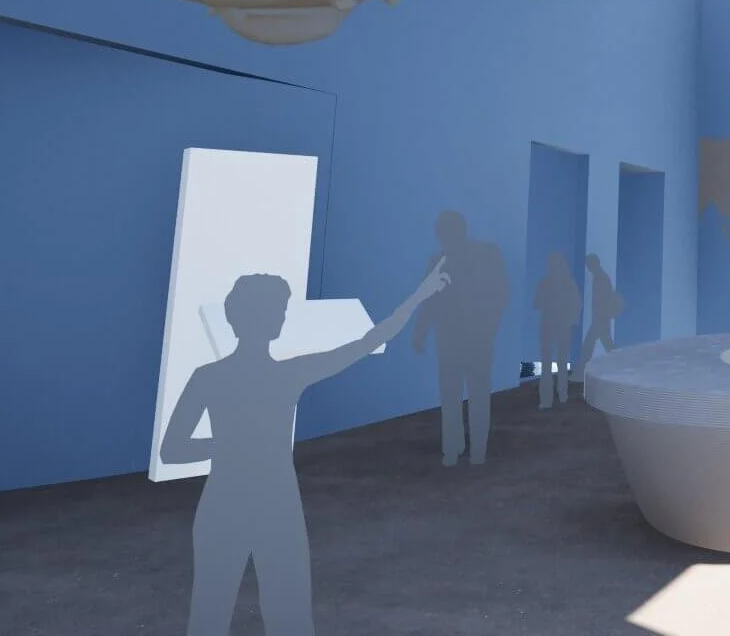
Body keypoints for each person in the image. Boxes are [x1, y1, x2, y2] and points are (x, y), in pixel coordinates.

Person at [161, 266, 448, 636]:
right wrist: (419, 297)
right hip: (260, 506)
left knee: (232, 614)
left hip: (242, 504)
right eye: (276, 311)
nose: (280, 318)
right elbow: (368, 341)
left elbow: (174, 449)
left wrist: (225, 447)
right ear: (255, 318)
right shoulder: (279, 375)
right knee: (266, 615)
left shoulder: (216, 376)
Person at [411, 211, 508, 466]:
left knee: (456, 397)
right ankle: (472, 452)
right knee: (472, 397)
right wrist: (490, 329)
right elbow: (500, 295)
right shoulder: (486, 254)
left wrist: (420, 333)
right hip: (469, 341)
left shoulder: (442, 260)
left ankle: (459, 451)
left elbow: (429, 302)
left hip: (458, 341)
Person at [534, 252, 582, 408]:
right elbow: (576, 304)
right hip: (560, 326)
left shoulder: (546, 283)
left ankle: (548, 399)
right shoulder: (568, 283)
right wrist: (571, 321)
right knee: (560, 362)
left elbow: (537, 304)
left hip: (550, 326)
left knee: (549, 363)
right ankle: (561, 395)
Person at [572, 253, 626, 389]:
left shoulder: (601, 278)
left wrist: (599, 316)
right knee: (607, 346)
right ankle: (622, 366)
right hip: (601, 318)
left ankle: (580, 374)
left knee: (588, 346)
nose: (588, 267)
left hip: (600, 318)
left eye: (589, 264)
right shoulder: (600, 277)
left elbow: (601, 301)